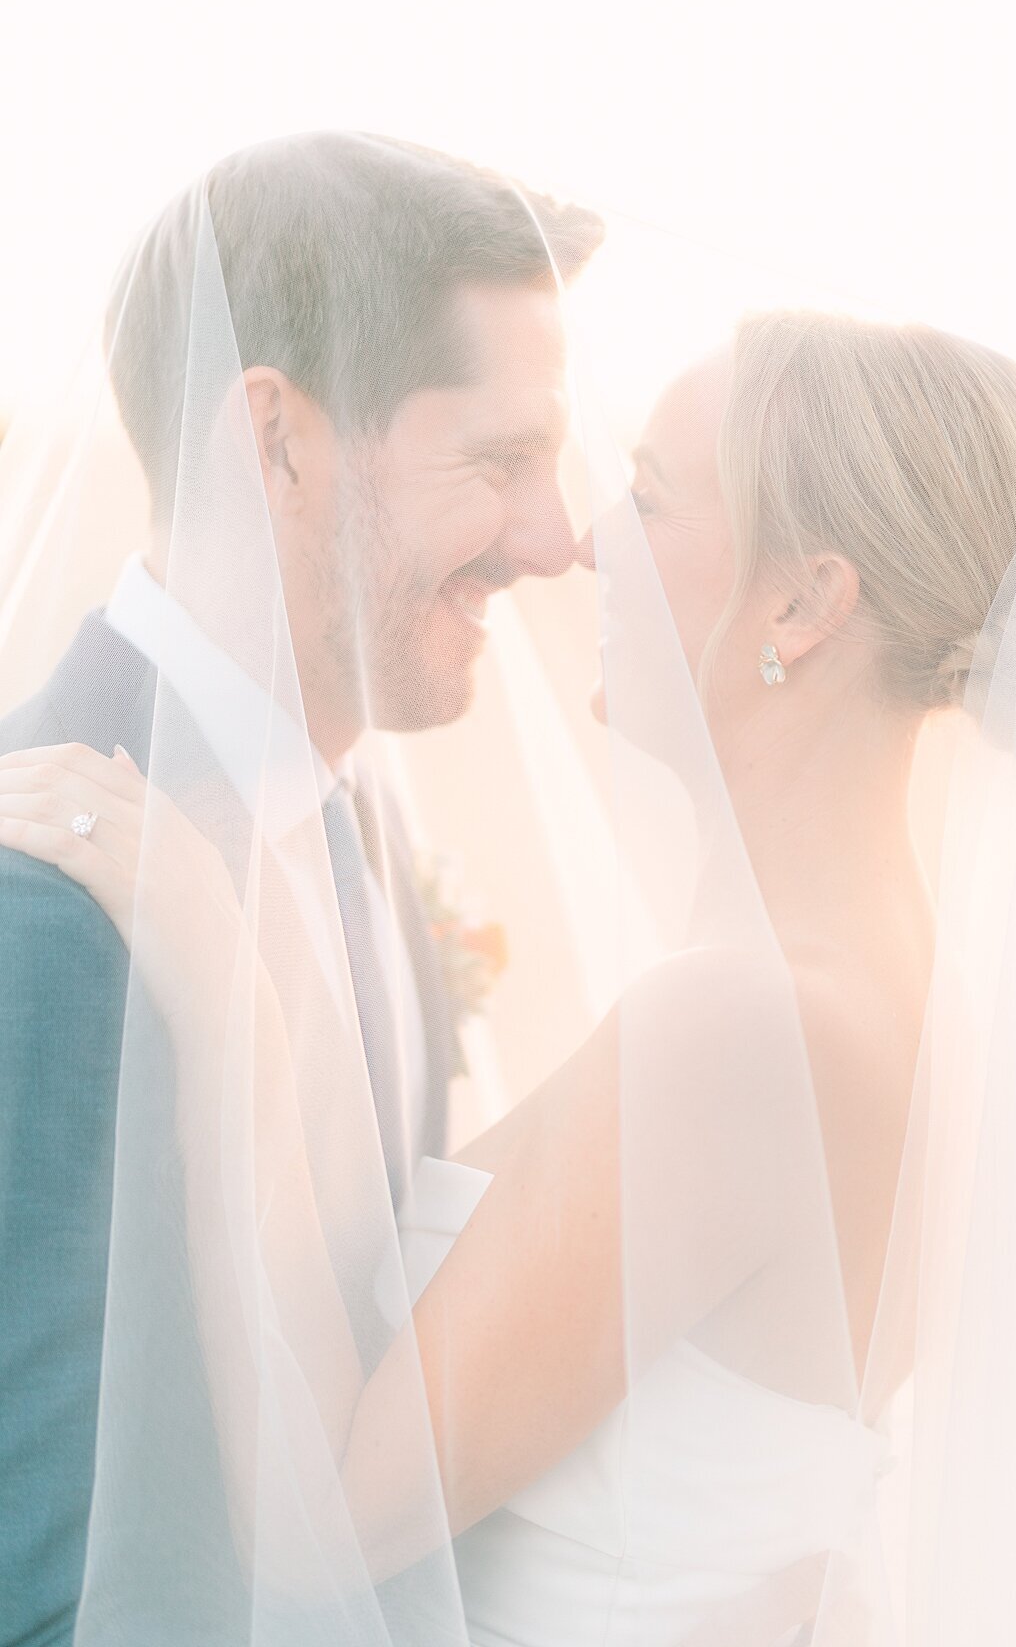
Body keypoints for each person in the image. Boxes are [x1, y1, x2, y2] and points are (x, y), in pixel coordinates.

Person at [6, 281, 1016, 1642]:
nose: (579, 543)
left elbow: (321, 1517)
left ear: (804, 605)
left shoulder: (744, 1030)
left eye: (648, 495)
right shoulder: (897, 992)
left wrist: (228, 1001)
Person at [0, 133, 602, 1647]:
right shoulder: (48, 914)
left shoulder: (363, 818)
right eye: (499, 461)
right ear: (276, 437)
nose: (555, 538)